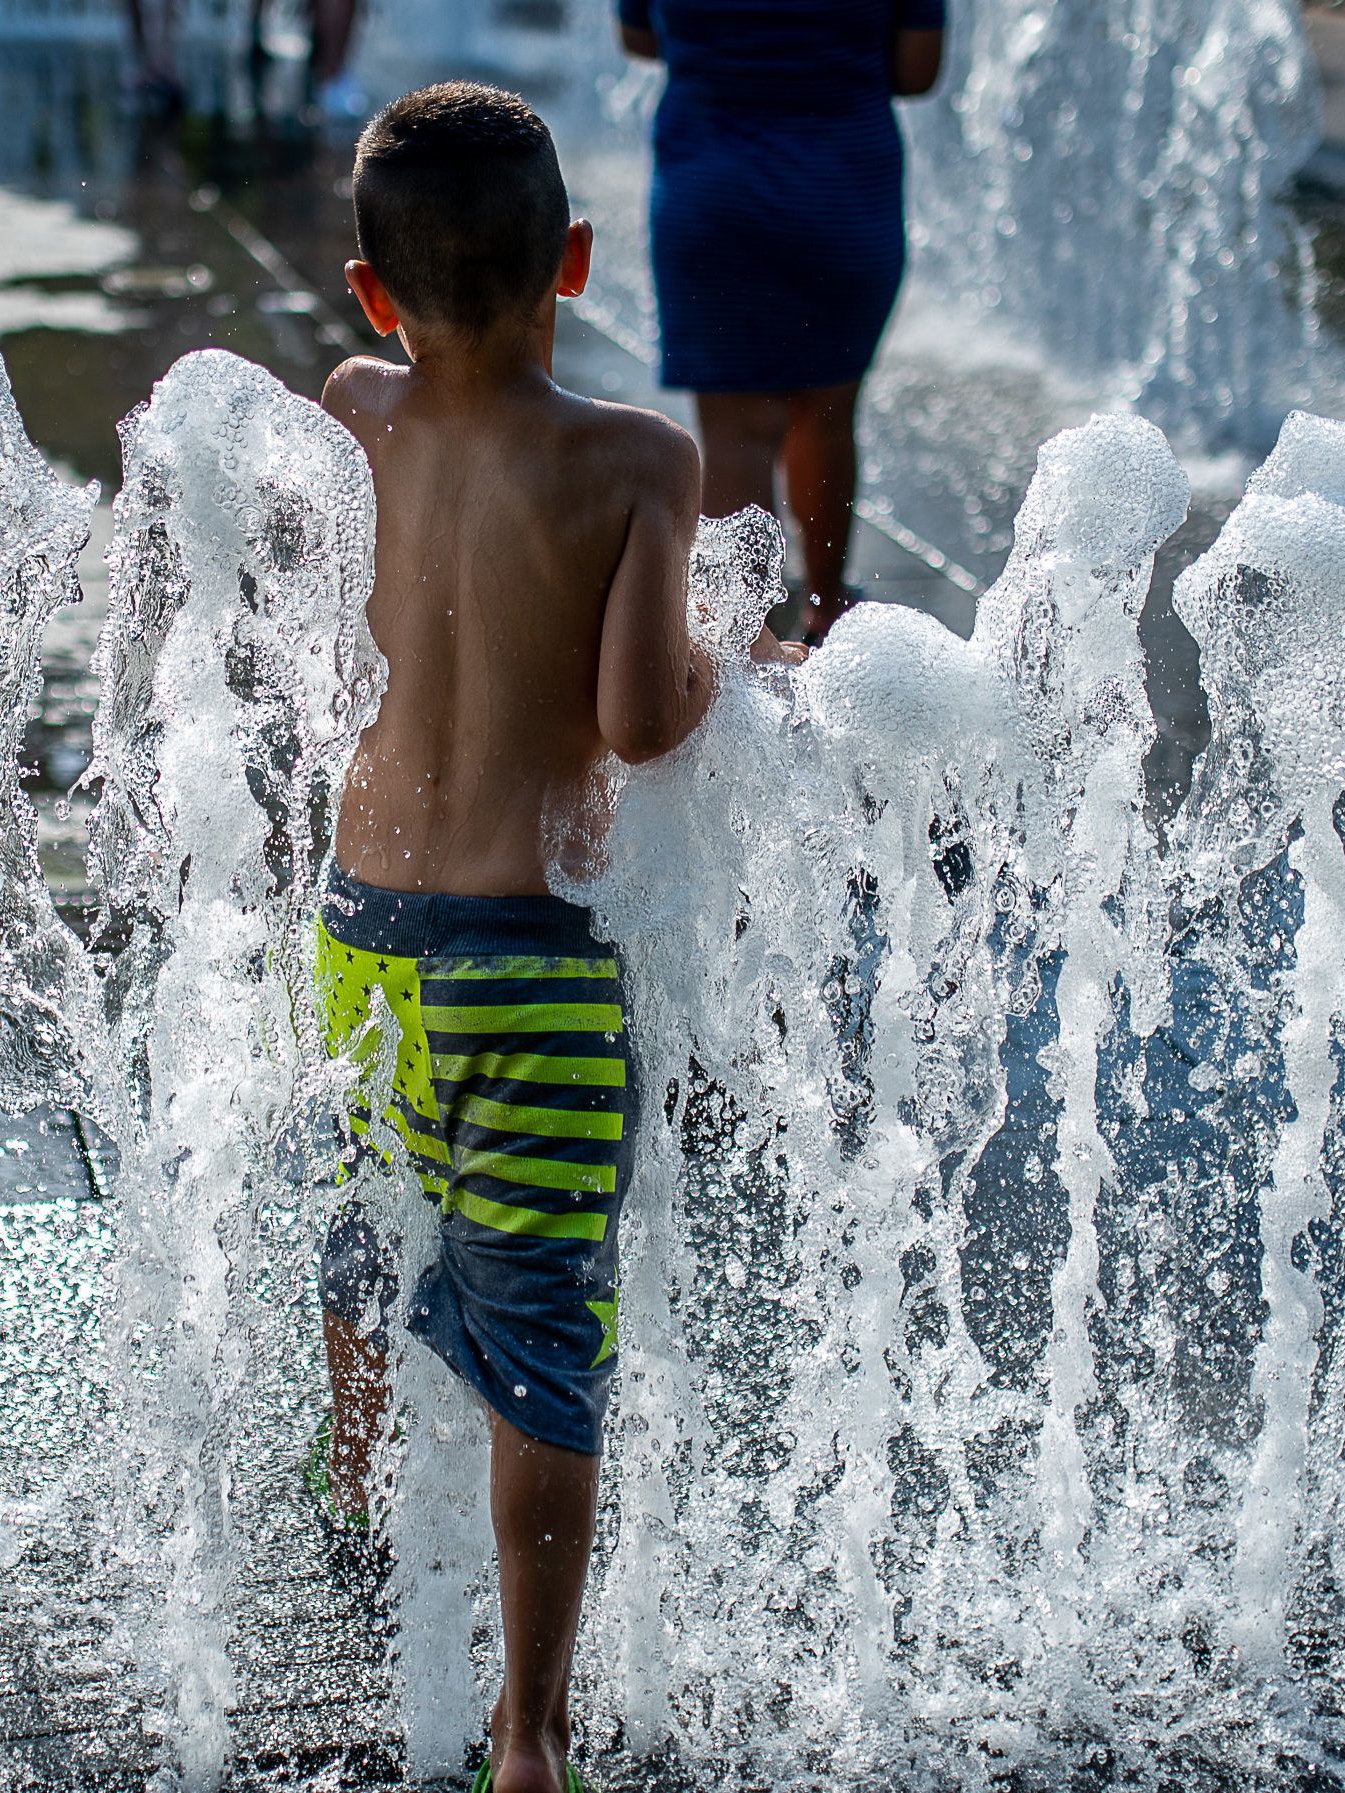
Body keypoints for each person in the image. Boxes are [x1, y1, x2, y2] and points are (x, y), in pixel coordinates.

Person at [309, 82, 799, 1793]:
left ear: (371, 292)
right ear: (573, 264)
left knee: (369, 1222)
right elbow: (641, 721)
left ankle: (349, 1473)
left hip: (362, 929)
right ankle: (529, 1732)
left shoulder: (350, 409)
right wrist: (729, 665)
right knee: (543, 1336)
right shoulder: (634, 460)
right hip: (528, 958)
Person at [618, 0, 944, 644]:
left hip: (714, 190)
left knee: (737, 434)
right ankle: (825, 610)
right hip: (841, 189)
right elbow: (916, 69)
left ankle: (742, 646)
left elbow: (640, 36)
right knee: (827, 411)